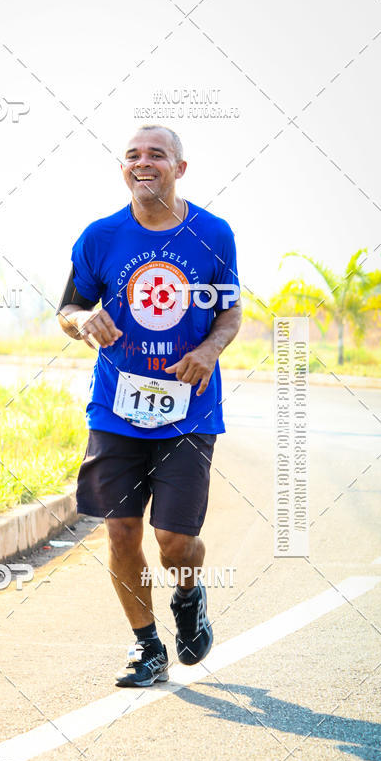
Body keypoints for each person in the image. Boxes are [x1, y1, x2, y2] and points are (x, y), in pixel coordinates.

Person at [57, 125, 242, 688]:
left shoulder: (212, 233)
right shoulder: (100, 237)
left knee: (175, 540)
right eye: (133, 155)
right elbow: (68, 306)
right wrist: (81, 321)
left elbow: (231, 312)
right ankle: (146, 647)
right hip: (116, 409)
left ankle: (188, 594)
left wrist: (209, 349)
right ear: (123, 170)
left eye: (156, 155)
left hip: (189, 411)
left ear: (179, 168)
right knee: (120, 532)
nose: (143, 163)